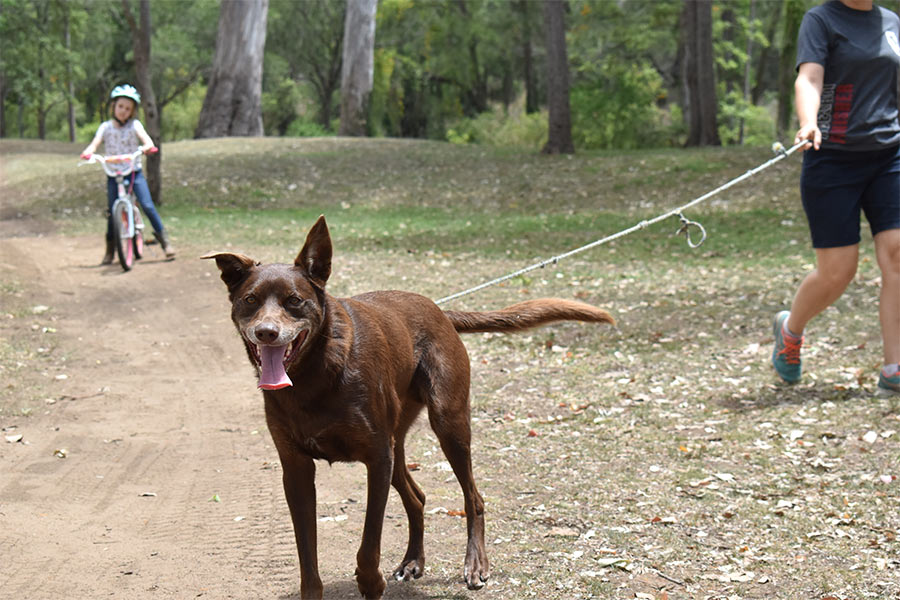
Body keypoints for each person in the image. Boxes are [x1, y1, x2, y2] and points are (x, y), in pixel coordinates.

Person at [772, 0, 900, 393]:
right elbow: (809, 78)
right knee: (837, 273)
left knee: (897, 252)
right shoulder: (821, 19)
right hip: (833, 160)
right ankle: (790, 332)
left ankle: (894, 368)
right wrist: (808, 123)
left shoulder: (891, 21)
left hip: (889, 155)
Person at [81, 84, 175, 262]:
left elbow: (146, 139)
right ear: (113, 106)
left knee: (147, 205)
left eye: (128, 108)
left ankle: (165, 242)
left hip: (133, 172)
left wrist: (148, 146)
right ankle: (110, 250)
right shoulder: (106, 127)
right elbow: (95, 143)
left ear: (132, 111)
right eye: (120, 106)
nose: (123, 111)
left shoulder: (135, 125)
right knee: (112, 211)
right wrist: (88, 152)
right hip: (113, 173)